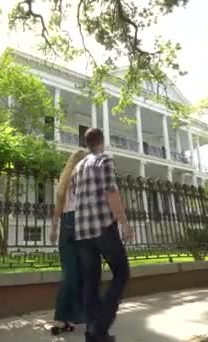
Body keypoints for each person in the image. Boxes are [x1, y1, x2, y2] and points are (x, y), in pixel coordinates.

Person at [70, 128, 134, 342]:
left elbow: (74, 196)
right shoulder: (104, 160)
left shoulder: (77, 167)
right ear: (102, 142)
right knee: (122, 272)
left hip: (83, 232)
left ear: (87, 143)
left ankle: (93, 331)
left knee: (91, 281)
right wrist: (124, 223)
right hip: (103, 227)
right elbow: (111, 192)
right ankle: (101, 326)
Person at [49, 150, 87, 336]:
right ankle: (64, 317)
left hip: (66, 225)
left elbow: (58, 208)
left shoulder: (64, 180)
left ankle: (65, 319)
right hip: (81, 223)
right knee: (79, 274)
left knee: (70, 273)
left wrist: (54, 229)